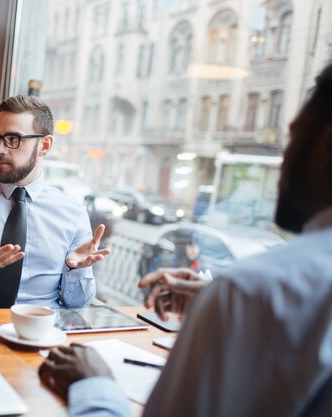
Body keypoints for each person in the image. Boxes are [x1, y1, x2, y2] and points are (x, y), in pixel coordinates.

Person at [39, 62, 332, 416]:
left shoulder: (257, 291)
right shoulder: (259, 294)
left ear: (323, 146)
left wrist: (94, 385)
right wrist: (219, 303)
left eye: (292, 138)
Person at [0, 95, 110, 309]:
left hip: (43, 331)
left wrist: (75, 270)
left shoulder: (73, 213)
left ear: (45, 145)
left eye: (13, 139)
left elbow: (78, 304)